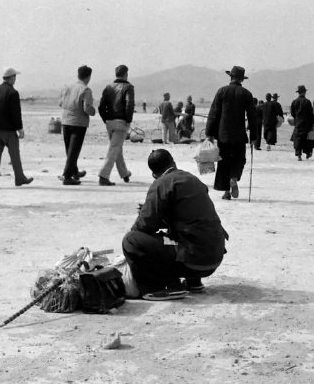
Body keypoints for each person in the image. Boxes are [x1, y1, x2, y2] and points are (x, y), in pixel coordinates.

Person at [122, 149, 228, 300]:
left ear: (153, 174)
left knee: (131, 240)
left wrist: (145, 211)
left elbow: (142, 226)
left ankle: (164, 286)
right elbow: (189, 216)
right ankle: (193, 282)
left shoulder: (161, 184)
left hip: (193, 259)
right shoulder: (193, 179)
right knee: (178, 234)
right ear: (173, 162)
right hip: (213, 257)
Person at [205, 66, 257, 200]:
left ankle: (226, 192)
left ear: (231, 77)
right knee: (239, 160)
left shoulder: (222, 91)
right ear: (242, 79)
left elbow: (213, 114)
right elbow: (252, 117)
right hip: (239, 134)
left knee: (224, 162)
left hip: (223, 135)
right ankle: (234, 178)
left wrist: (209, 133)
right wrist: (254, 136)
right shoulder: (246, 94)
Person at [0, 68, 33, 189]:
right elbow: (16, 113)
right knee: (14, 154)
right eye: (15, 77)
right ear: (11, 78)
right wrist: (20, 128)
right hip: (8, 129)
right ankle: (19, 178)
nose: (15, 80)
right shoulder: (13, 93)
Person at [58, 65, 96, 185]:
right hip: (78, 123)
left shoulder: (67, 87)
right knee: (74, 150)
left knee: (69, 149)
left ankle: (74, 171)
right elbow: (86, 108)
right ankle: (67, 176)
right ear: (88, 77)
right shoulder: (85, 89)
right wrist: (93, 111)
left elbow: (60, 103)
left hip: (65, 121)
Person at [97, 64, 134, 186]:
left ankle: (124, 173)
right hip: (121, 121)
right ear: (126, 74)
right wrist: (128, 120)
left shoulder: (108, 87)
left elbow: (101, 107)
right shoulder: (128, 87)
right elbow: (129, 104)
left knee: (117, 148)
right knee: (114, 149)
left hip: (110, 122)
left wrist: (106, 119)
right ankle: (103, 175)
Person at [290, 85, 314, 161]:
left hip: (298, 123)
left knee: (298, 138)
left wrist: (297, 119)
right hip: (306, 123)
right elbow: (311, 114)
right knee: (307, 138)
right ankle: (307, 153)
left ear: (298, 93)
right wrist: (312, 123)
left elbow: (292, 113)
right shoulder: (308, 102)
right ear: (304, 92)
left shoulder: (294, 102)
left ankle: (299, 155)